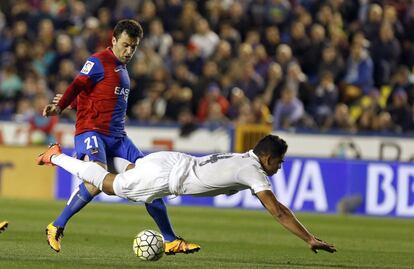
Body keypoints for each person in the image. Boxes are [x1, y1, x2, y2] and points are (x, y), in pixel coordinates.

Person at [41, 19, 200, 254]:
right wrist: (61, 105)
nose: (129, 52)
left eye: (133, 47)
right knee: (97, 179)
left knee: (152, 181)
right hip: (91, 132)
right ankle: (57, 225)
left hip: (118, 137)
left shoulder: (123, 69)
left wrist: (73, 104)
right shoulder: (97, 61)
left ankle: (170, 240)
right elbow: (77, 85)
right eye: (125, 45)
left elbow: (94, 97)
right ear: (113, 40)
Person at [37, 135, 337, 254]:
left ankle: (170, 241)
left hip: (170, 160)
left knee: (140, 187)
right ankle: (55, 156)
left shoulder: (245, 157)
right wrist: (309, 237)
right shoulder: (253, 171)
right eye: (280, 162)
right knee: (110, 185)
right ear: (268, 158)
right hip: (167, 175)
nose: (280, 168)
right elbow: (279, 211)